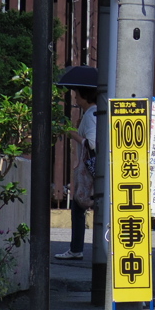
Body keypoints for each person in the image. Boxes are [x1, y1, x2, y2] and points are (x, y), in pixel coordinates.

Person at [56, 86, 97, 261]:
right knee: (82, 206)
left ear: (85, 97)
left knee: (79, 206)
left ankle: (76, 248)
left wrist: (71, 133)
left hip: (89, 170)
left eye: (77, 96)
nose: (74, 99)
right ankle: (76, 248)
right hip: (94, 169)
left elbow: (92, 144)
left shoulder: (90, 116)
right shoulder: (94, 114)